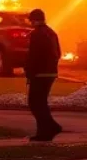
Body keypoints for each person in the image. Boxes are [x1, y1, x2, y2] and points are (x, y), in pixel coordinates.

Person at [24, 8, 62, 141]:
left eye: (31, 21)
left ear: (34, 20)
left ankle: (51, 126)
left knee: (34, 103)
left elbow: (33, 56)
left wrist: (29, 70)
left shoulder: (36, 34)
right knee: (41, 103)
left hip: (39, 74)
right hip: (50, 73)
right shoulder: (51, 33)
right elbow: (58, 53)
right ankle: (44, 133)